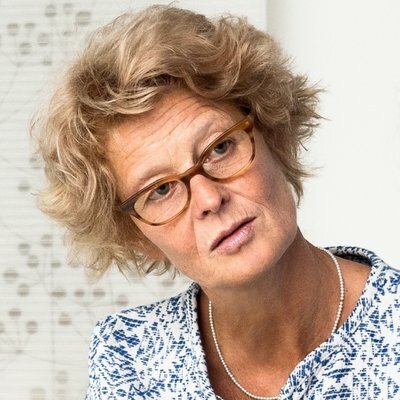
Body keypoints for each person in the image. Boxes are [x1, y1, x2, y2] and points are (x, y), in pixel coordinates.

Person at [33, 5, 400, 400]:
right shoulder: (128, 359)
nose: (209, 198)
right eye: (160, 190)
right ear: (136, 236)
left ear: (273, 135)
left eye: (220, 148)